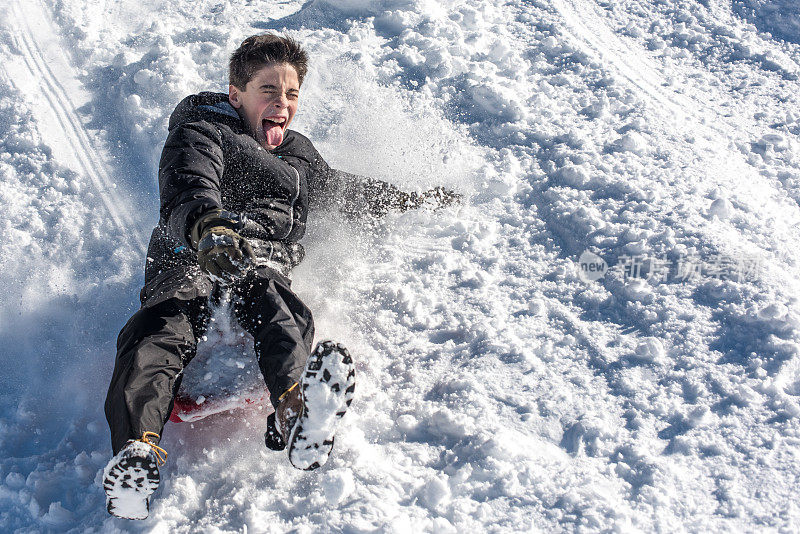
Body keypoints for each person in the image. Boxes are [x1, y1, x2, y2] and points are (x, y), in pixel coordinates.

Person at [100, 33, 459, 520]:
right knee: (160, 328)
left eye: (290, 93)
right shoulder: (201, 130)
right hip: (195, 253)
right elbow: (189, 182)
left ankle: (294, 413)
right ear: (236, 94)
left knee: (280, 308)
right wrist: (209, 228)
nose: (282, 103)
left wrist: (414, 199)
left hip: (260, 262)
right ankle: (137, 452)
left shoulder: (300, 157)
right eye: (268, 90)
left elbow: (346, 193)